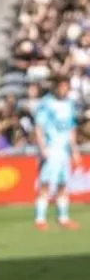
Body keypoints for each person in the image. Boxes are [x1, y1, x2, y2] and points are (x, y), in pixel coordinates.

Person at [33, 77, 81, 231]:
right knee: (46, 184)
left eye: (66, 87)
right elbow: (39, 127)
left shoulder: (69, 104)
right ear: (55, 87)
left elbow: (71, 128)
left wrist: (74, 149)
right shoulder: (46, 104)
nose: (64, 90)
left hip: (64, 151)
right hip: (51, 149)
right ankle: (40, 219)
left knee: (62, 184)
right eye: (61, 86)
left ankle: (63, 218)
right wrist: (42, 148)